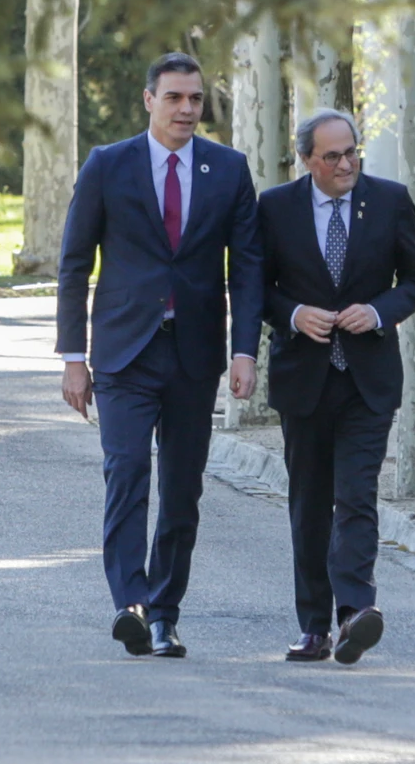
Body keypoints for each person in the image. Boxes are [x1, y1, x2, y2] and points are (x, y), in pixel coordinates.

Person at [56, 52, 261, 659]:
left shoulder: (228, 169)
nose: (186, 109)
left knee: (181, 489)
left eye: (194, 98)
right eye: (173, 97)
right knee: (126, 473)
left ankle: (166, 613)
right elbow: (74, 263)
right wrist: (73, 357)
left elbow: (248, 269)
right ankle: (132, 605)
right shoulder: (107, 164)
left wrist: (245, 351)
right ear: (149, 100)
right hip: (124, 353)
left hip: (194, 354)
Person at [256, 108, 415, 664]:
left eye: (352, 151)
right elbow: (256, 287)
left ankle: (356, 611)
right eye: (332, 156)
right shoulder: (275, 207)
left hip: (367, 381)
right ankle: (314, 628)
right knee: (309, 505)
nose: (346, 164)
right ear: (306, 159)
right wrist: (294, 314)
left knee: (356, 495)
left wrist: (378, 312)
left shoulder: (389, 200)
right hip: (303, 381)